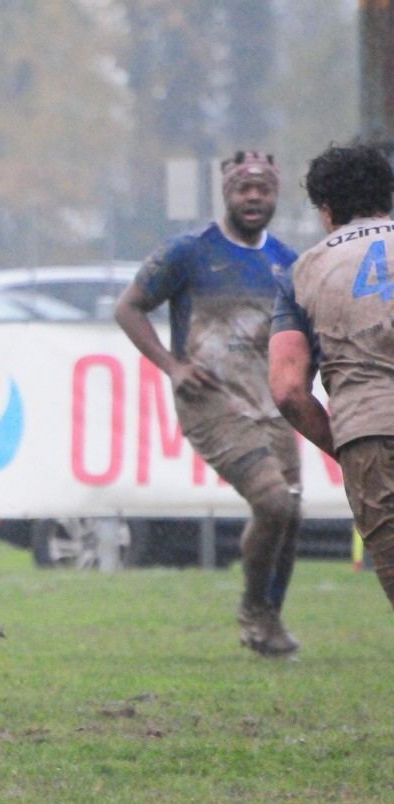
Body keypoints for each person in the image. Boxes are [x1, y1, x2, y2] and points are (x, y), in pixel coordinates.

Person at [115, 150, 302, 658]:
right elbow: (128, 308)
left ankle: (268, 619)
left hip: (270, 403)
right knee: (273, 501)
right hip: (210, 401)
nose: (254, 197)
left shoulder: (287, 262)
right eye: (244, 188)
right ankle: (254, 611)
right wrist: (172, 365)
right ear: (226, 193)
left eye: (263, 189)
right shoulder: (189, 251)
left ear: (276, 195)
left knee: (290, 513)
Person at [268, 144, 394, 623]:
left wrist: (343, 445)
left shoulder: (304, 273)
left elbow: (287, 389)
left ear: (326, 210)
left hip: (369, 432)